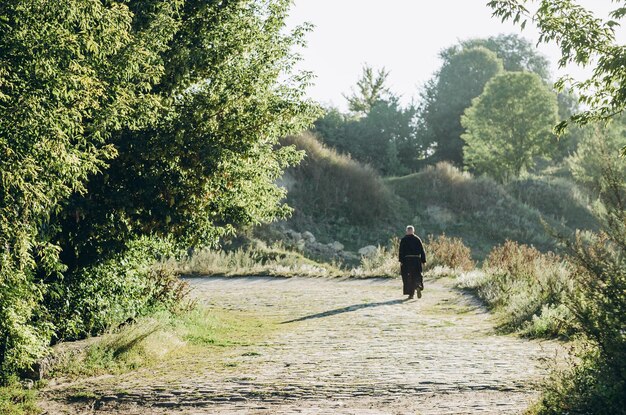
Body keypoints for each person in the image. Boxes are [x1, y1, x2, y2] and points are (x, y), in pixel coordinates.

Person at [398, 225, 426, 299]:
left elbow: (401, 251)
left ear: (407, 231)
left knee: (408, 277)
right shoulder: (417, 239)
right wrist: (423, 260)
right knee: (417, 275)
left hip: (407, 261)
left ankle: (411, 294)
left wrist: (401, 261)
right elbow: (422, 250)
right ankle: (418, 286)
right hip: (416, 260)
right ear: (413, 231)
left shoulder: (404, 239)